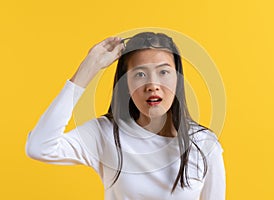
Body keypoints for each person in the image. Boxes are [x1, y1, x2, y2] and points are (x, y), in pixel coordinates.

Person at [25, 32, 226, 200]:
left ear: (178, 79)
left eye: (163, 72)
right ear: (126, 85)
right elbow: (39, 147)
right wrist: (89, 66)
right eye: (140, 74)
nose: (152, 85)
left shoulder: (204, 143)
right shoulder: (106, 133)